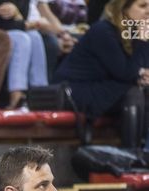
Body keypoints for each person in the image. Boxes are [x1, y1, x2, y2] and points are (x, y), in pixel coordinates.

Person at [54, 0, 149, 148]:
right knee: (133, 93)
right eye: (142, 6)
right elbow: (125, 72)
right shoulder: (103, 30)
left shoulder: (134, 32)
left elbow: (138, 67)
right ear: (123, 8)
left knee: (140, 91)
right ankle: (132, 153)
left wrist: (142, 76)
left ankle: (144, 151)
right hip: (76, 89)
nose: (148, 11)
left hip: (108, 86)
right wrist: (142, 41)